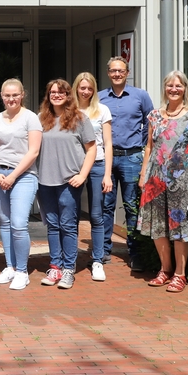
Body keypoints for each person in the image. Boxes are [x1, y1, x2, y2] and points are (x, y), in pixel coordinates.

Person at [137, 71, 188, 293]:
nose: (173, 89)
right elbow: (149, 147)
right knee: (158, 227)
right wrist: (143, 175)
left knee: (180, 227)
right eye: (170, 85)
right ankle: (164, 270)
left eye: (178, 85)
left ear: (185, 88)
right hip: (155, 180)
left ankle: (180, 275)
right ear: (165, 88)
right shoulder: (154, 116)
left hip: (182, 181)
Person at [37, 79, 96, 290]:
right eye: (52, 92)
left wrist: (82, 175)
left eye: (61, 92)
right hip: (44, 181)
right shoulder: (41, 119)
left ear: (68, 95)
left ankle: (69, 269)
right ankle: (56, 266)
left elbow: (91, 149)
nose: (56, 95)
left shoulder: (79, 119)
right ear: (48, 95)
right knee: (52, 225)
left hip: (69, 181)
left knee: (68, 225)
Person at [0, 78, 42, 291]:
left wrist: (12, 176)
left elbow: (33, 151)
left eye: (15, 95)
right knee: (5, 223)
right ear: (1, 96)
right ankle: (10, 266)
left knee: (18, 224)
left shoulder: (31, 118)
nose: (11, 99)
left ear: (22, 95)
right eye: (7, 95)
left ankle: (22, 271)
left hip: (24, 176)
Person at [99, 56, 154, 271]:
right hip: (107, 159)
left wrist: (140, 147)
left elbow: (151, 123)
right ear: (108, 73)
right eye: (113, 71)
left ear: (127, 72)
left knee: (132, 207)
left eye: (121, 70)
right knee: (106, 206)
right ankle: (103, 251)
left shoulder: (140, 96)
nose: (117, 74)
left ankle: (135, 254)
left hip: (132, 157)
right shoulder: (101, 97)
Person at [73, 73, 113, 282]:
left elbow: (107, 143)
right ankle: (70, 261)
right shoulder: (70, 109)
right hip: (73, 167)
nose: (86, 91)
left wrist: (107, 174)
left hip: (97, 165)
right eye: (82, 88)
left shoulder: (102, 110)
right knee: (71, 216)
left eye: (89, 88)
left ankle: (97, 260)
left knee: (97, 215)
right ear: (76, 88)